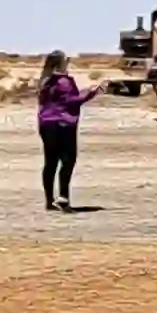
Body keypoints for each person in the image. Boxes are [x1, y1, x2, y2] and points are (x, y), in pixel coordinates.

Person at [34, 53, 97, 211]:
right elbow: (72, 101)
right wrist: (93, 92)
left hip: (46, 123)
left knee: (50, 162)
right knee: (68, 160)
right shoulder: (64, 81)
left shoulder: (45, 80)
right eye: (66, 60)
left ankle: (49, 200)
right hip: (63, 123)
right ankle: (63, 196)